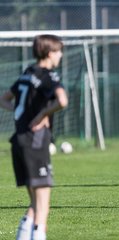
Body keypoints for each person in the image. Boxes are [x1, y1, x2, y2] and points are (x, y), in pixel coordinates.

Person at [0, 34, 68, 240]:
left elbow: (3, 99)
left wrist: (23, 112)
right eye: (59, 51)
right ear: (49, 53)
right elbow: (63, 101)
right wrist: (40, 114)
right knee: (43, 204)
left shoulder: (26, 73)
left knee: (34, 202)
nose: (61, 55)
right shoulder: (48, 76)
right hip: (35, 141)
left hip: (18, 141)